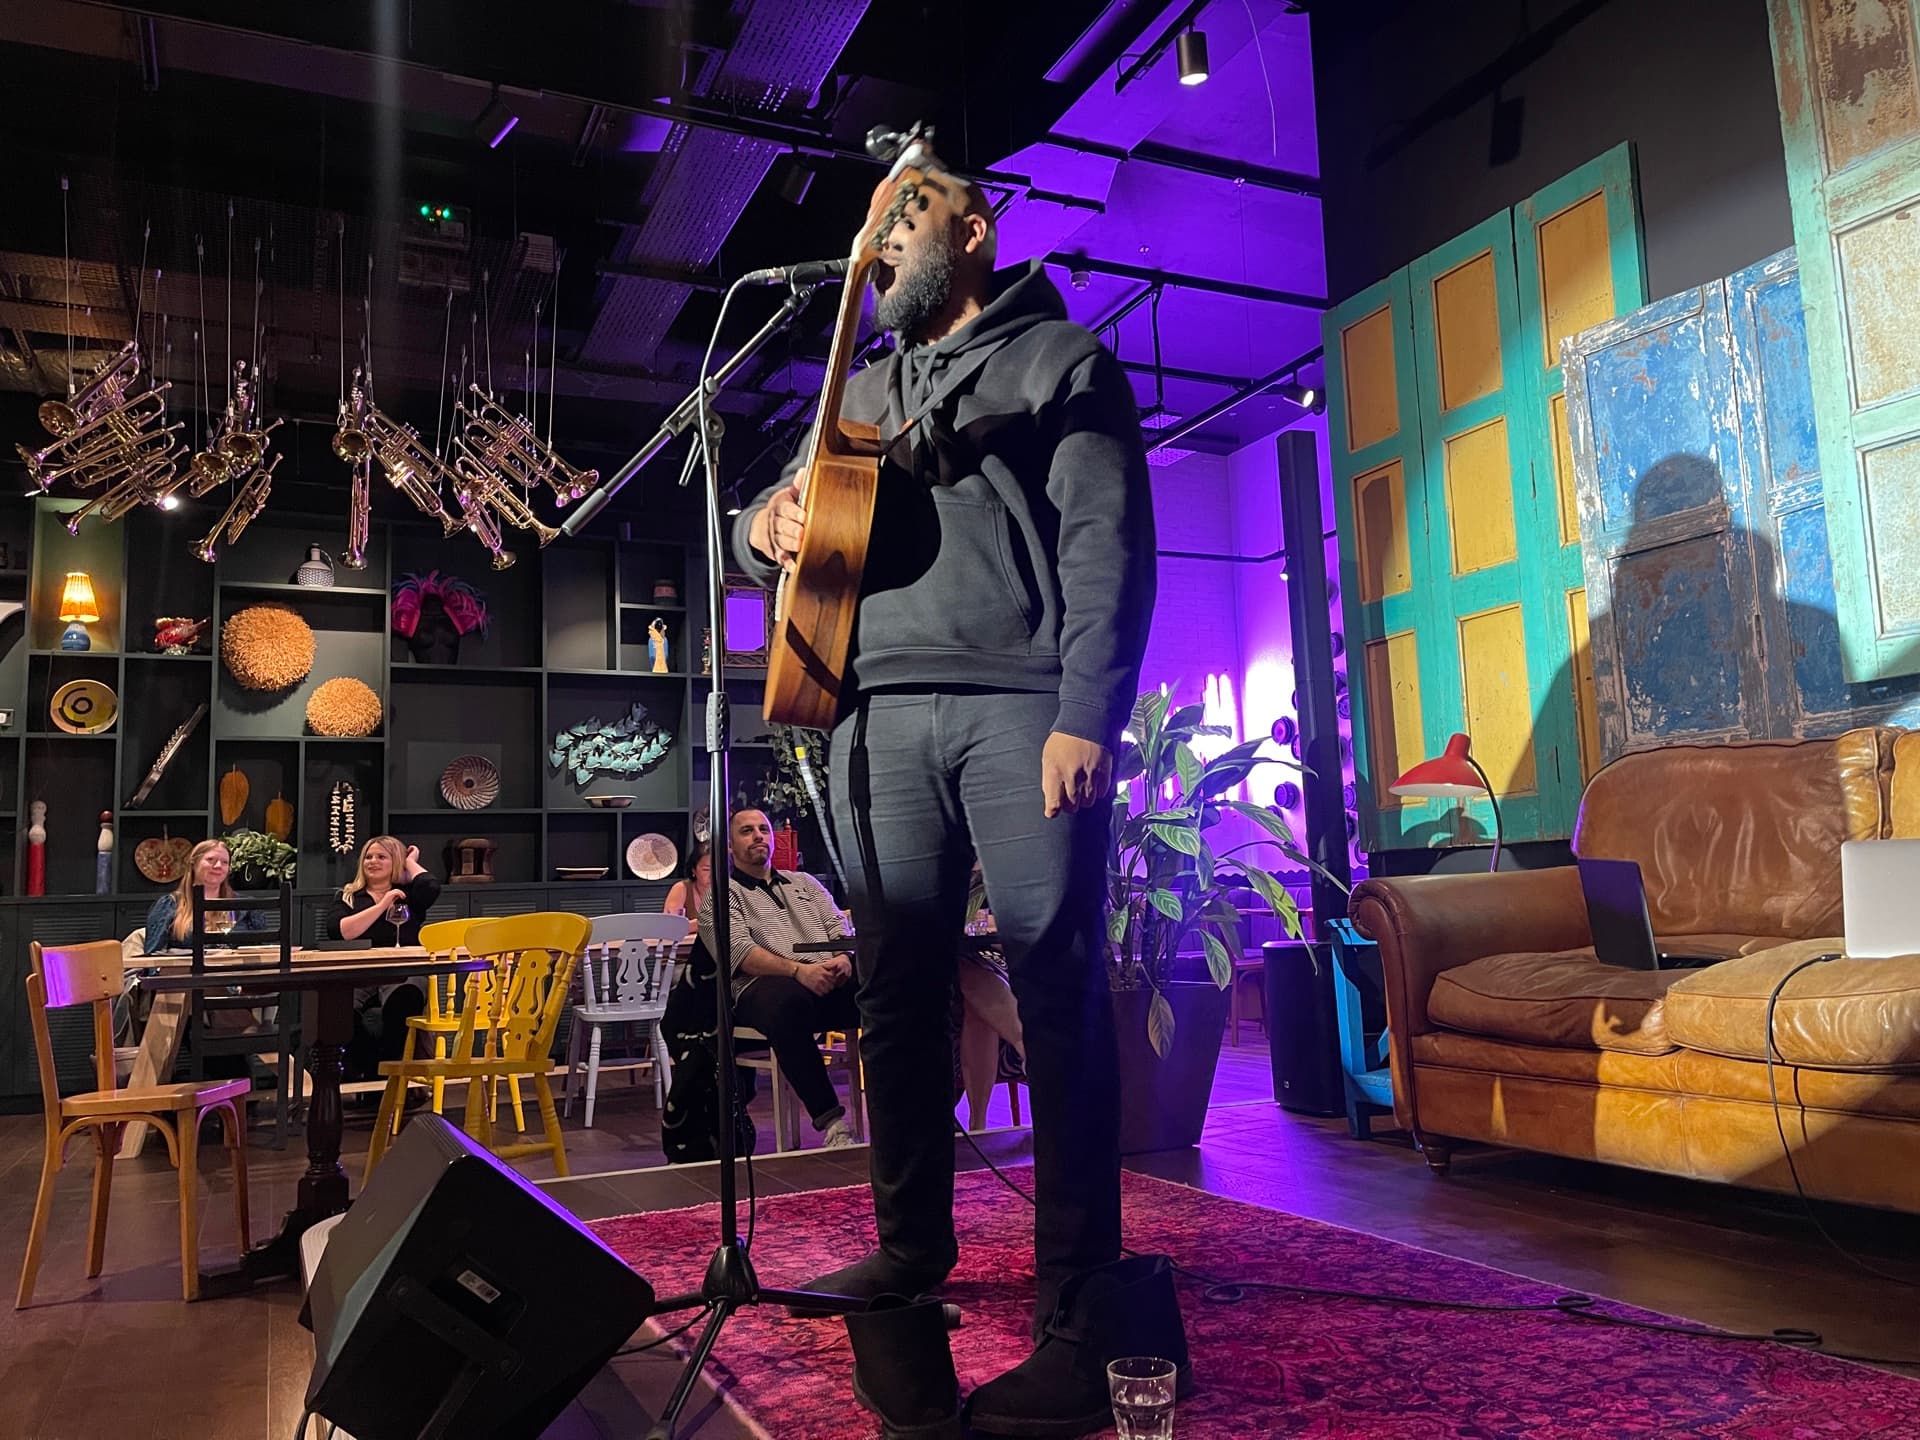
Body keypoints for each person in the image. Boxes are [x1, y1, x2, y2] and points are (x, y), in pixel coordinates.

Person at [734, 162, 1174, 1434]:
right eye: (870, 225)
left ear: (974, 230)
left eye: (904, 216)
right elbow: (783, 519)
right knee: (894, 995)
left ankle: (1081, 1289)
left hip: (1018, 705)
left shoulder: (1058, 360)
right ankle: (910, 1249)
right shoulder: (859, 393)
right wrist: (762, 519)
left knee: (1054, 987)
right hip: (872, 718)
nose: (876, 239)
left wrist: (1088, 711)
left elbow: (1108, 537)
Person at [696, 809, 860, 1148]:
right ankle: (833, 1122)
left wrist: (844, 958)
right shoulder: (722, 895)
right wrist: (799, 970)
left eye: (763, 829)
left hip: (827, 978)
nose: (758, 836)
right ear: (729, 846)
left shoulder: (806, 883)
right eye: (746, 831)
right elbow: (738, 952)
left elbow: (839, 929)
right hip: (764, 988)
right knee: (787, 1003)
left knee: (888, 991)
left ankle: (908, 1105)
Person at [327, 835, 442, 1076]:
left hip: (402, 971)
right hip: (361, 971)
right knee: (336, 1006)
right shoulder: (349, 896)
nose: (373, 862)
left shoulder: (409, 894)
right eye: (368, 857)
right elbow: (341, 931)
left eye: (382, 857)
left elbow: (431, 885)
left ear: (395, 862)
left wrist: (409, 862)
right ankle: (369, 1067)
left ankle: (387, 1066)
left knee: (405, 996)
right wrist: (382, 904)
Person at [142, 839, 268, 954]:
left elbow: (264, 952)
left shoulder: (246, 907)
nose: (218, 866)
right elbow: (153, 958)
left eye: (225, 862)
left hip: (236, 976)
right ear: (193, 863)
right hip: (186, 977)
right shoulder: (169, 905)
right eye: (211, 860)